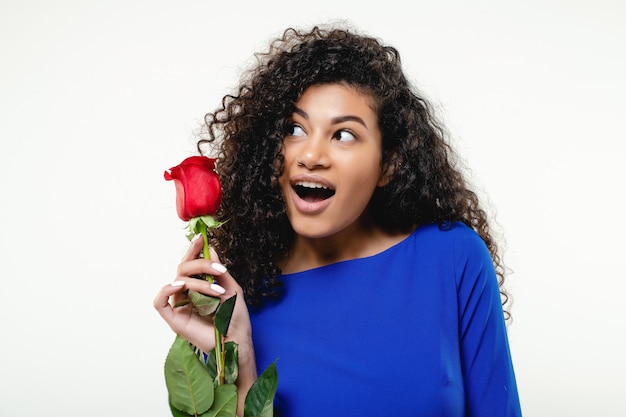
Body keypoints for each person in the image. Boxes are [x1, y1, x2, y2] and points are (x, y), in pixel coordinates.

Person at [154, 24, 522, 416]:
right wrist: (239, 361)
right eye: (295, 129)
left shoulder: (450, 257)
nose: (311, 155)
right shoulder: (239, 296)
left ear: (389, 163)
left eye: (343, 135)